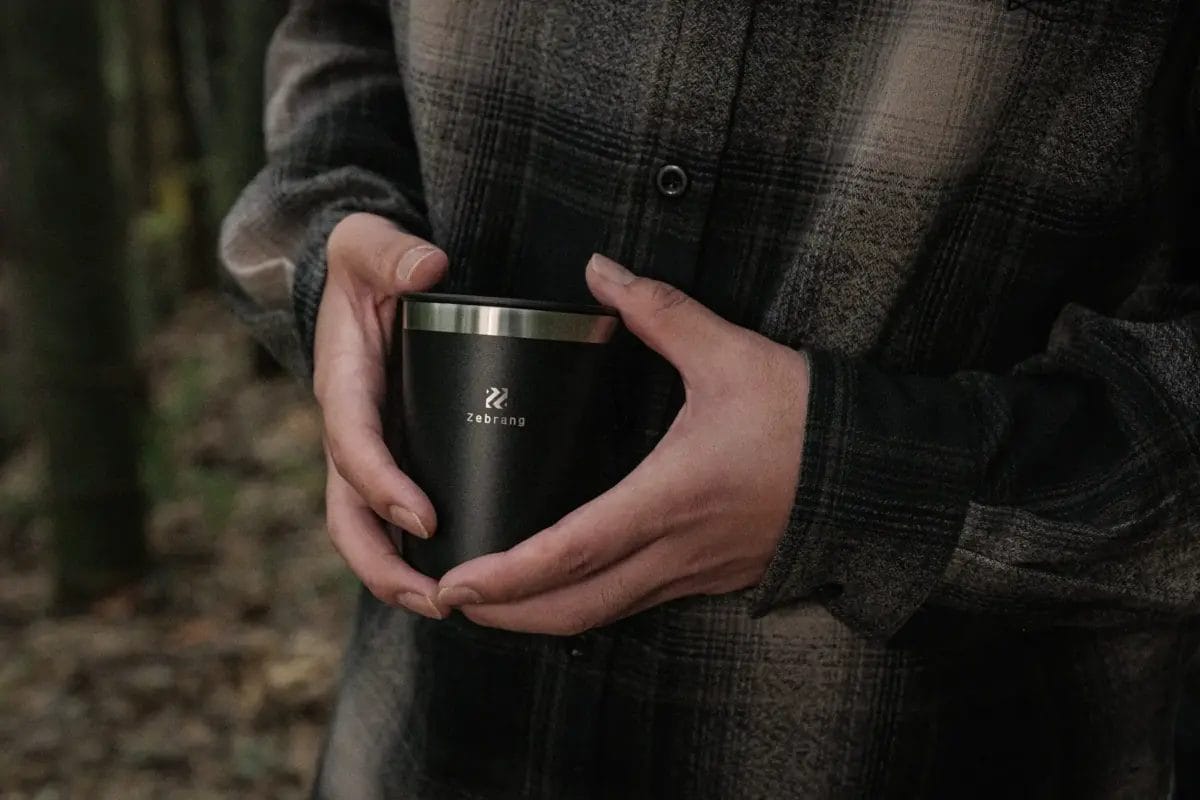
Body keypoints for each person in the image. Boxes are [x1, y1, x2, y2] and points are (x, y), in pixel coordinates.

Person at [220, 2, 1200, 798]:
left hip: (941, 749)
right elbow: (340, 39)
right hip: (422, 739)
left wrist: (865, 478)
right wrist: (335, 249)